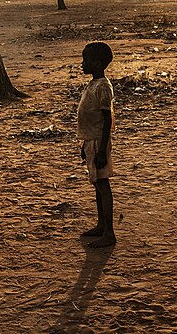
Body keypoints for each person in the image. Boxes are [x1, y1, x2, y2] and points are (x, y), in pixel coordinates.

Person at [77, 42, 117, 248]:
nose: (82, 64)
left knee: (103, 186)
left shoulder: (102, 86)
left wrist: (101, 150)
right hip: (91, 140)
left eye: (87, 60)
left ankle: (109, 232)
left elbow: (107, 119)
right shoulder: (93, 84)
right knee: (97, 184)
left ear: (98, 63)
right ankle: (102, 225)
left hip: (98, 142)